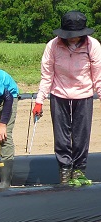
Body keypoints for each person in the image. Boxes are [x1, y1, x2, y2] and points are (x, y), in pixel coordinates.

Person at [32, 10, 101, 184]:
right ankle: (64, 170)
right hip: (59, 94)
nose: (73, 38)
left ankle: (79, 170)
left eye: (77, 35)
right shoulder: (53, 46)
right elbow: (47, 75)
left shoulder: (93, 46)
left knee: (81, 135)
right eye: (69, 35)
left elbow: (98, 76)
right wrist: (40, 100)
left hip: (84, 95)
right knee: (61, 135)